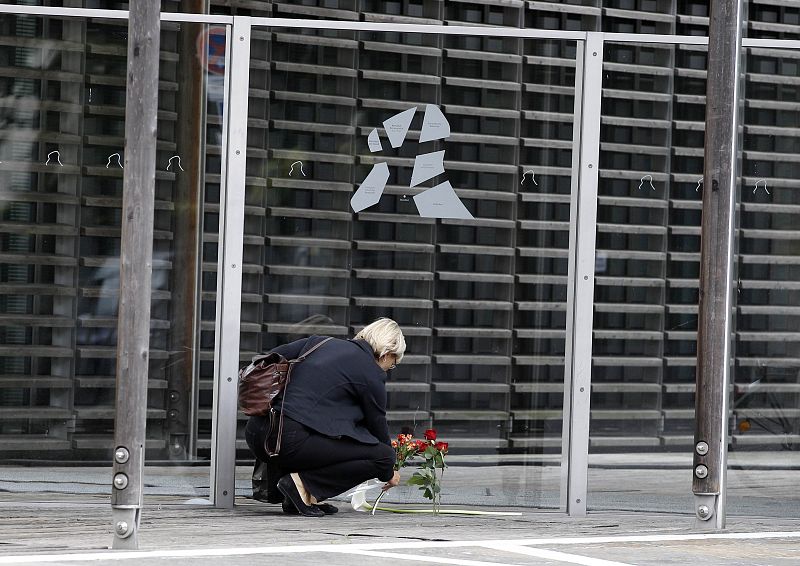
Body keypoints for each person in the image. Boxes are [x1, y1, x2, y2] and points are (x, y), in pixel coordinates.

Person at [244, 317, 405, 517]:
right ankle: (299, 486)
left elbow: (272, 358)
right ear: (386, 353)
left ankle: (300, 498)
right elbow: (377, 425)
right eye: (393, 363)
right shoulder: (371, 373)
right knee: (382, 456)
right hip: (287, 441)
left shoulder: (319, 343)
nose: (390, 368)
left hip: (257, 433)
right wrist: (388, 471)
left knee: (322, 435)